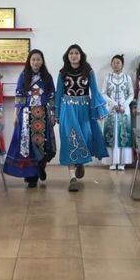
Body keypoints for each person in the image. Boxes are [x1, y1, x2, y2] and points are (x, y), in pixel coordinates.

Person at [55, 44, 108, 192]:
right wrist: (56, 114)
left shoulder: (88, 71)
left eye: (76, 53)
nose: (73, 55)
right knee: (70, 139)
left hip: (85, 109)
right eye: (71, 53)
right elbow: (58, 93)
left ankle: (80, 163)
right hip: (67, 109)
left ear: (81, 55)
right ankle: (72, 178)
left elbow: (95, 92)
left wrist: (99, 111)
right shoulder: (62, 73)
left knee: (84, 138)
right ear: (67, 56)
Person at [4, 49, 56, 188]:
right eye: (33, 59)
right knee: (28, 145)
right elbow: (19, 96)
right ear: (29, 61)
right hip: (26, 115)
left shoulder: (47, 77)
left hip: (43, 115)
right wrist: (15, 115)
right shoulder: (23, 76)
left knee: (41, 144)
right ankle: (31, 175)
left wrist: (53, 114)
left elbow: (52, 96)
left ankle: (40, 168)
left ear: (42, 61)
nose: (35, 62)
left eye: (38, 59)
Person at [102, 54, 134, 170]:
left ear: (122, 65)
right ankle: (112, 161)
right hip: (111, 110)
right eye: (114, 63)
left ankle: (122, 162)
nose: (116, 65)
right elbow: (103, 93)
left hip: (124, 111)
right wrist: (113, 104)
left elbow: (131, 94)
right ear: (111, 65)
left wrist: (124, 105)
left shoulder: (127, 78)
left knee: (123, 135)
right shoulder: (107, 77)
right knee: (111, 135)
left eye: (118, 62)